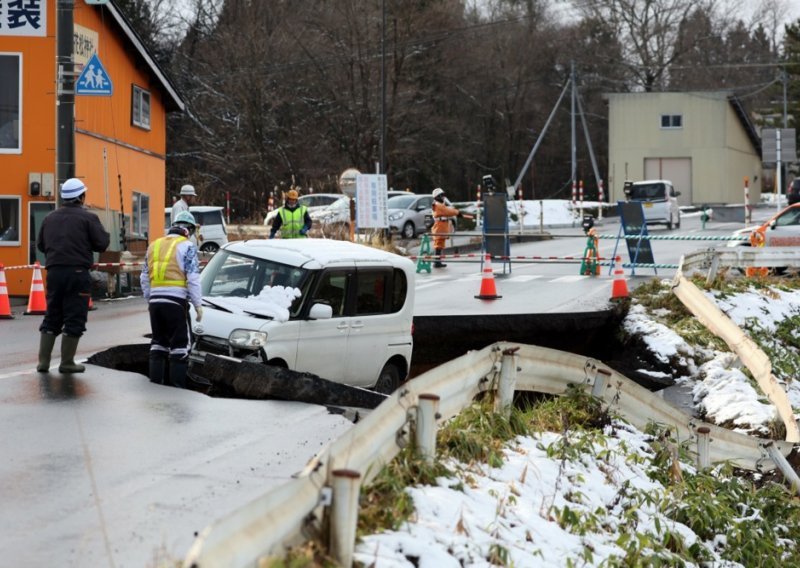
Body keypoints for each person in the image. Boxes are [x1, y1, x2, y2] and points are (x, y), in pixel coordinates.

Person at [36, 178, 110, 373]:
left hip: (54, 272)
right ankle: (67, 362)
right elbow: (102, 243)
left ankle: (43, 363)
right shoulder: (88, 218)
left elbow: (41, 245)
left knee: (52, 314)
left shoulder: (49, 218)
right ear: (81, 197)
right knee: (75, 315)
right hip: (77, 273)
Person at [140, 211, 203, 388]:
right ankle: (177, 388)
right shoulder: (187, 246)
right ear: (188, 230)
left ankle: (155, 384)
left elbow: (144, 277)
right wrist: (198, 304)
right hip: (176, 301)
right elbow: (193, 278)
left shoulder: (154, 245)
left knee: (158, 342)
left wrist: (150, 298)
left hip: (155, 302)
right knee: (180, 345)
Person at [431, 187, 460, 268]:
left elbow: (447, 210)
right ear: (438, 196)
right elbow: (447, 211)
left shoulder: (439, 204)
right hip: (439, 226)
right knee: (438, 244)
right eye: (442, 195)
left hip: (441, 225)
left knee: (440, 244)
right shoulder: (438, 205)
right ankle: (436, 262)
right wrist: (457, 212)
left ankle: (438, 261)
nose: (443, 197)